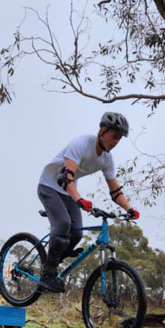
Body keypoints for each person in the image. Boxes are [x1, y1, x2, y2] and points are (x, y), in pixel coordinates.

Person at [36, 111, 140, 293]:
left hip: (68, 192)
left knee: (76, 234)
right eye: (114, 136)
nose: (116, 142)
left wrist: (129, 208)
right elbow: (65, 177)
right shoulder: (81, 144)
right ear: (102, 131)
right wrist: (80, 199)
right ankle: (47, 273)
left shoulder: (107, 159)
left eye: (119, 139)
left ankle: (55, 258)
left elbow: (115, 191)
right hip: (49, 185)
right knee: (63, 224)